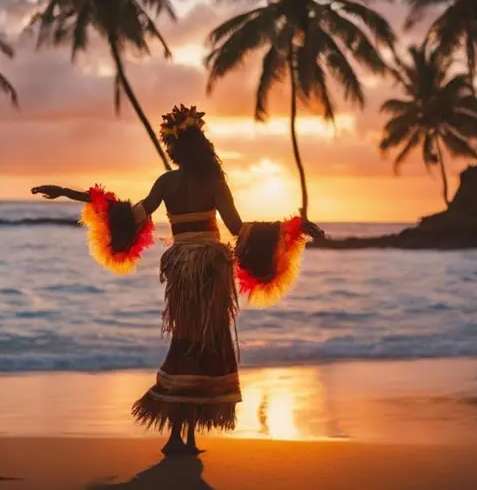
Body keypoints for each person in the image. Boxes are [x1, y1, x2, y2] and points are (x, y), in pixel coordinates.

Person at [32, 104, 323, 455]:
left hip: (181, 269)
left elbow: (127, 215)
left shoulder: (166, 183)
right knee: (207, 342)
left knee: (185, 340)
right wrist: (291, 229)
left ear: (174, 148)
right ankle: (187, 435)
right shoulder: (214, 182)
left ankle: (177, 434)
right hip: (209, 269)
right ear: (201, 145)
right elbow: (237, 229)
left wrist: (68, 192)